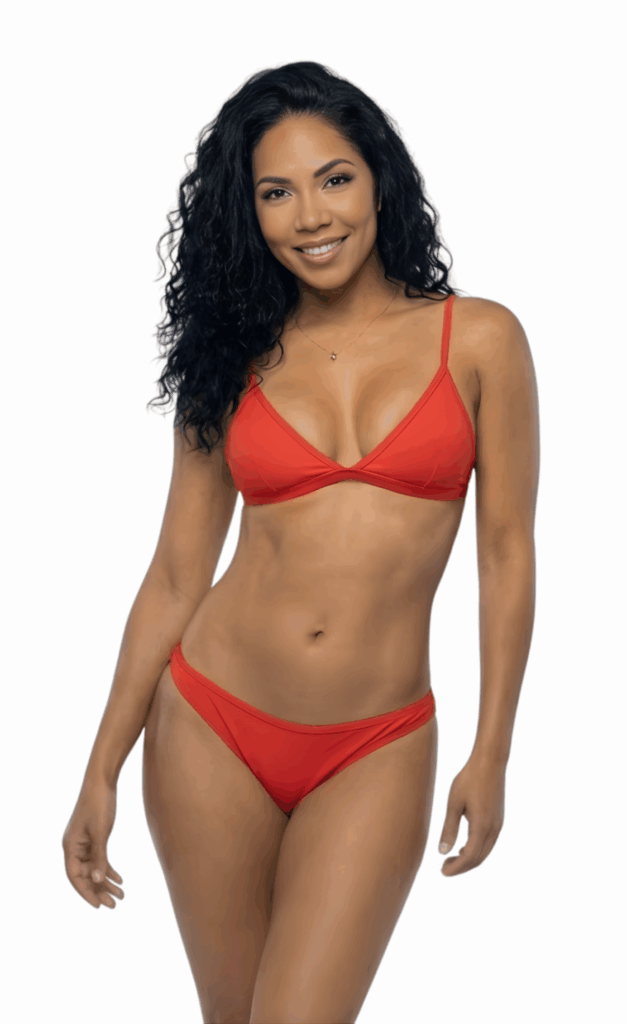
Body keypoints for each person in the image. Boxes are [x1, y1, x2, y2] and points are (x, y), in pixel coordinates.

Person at [62, 60, 539, 1024]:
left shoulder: (480, 340)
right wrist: (100, 767)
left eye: (334, 179)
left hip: (376, 742)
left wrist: (491, 750)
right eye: (275, 193)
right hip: (209, 726)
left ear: (379, 182)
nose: (311, 216)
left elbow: (506, 555)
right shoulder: (229, 360)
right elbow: (175, 575)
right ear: (248, 215)